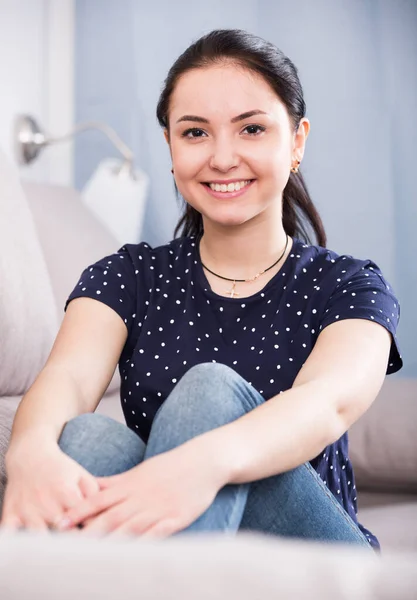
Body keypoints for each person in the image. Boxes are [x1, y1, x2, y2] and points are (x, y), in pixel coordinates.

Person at [1, 29, 402, 549]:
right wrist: (29, 452)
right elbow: (69, 380)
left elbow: (327, 403)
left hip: (314, 556)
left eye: (252, 129)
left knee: (209, 390)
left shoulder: (347, 285)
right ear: (170, 145)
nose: (222, 157)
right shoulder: (129, 275)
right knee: (82, 439)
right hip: (168, 528)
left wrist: (200, 466)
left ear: (297, 140)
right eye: (195, 133)